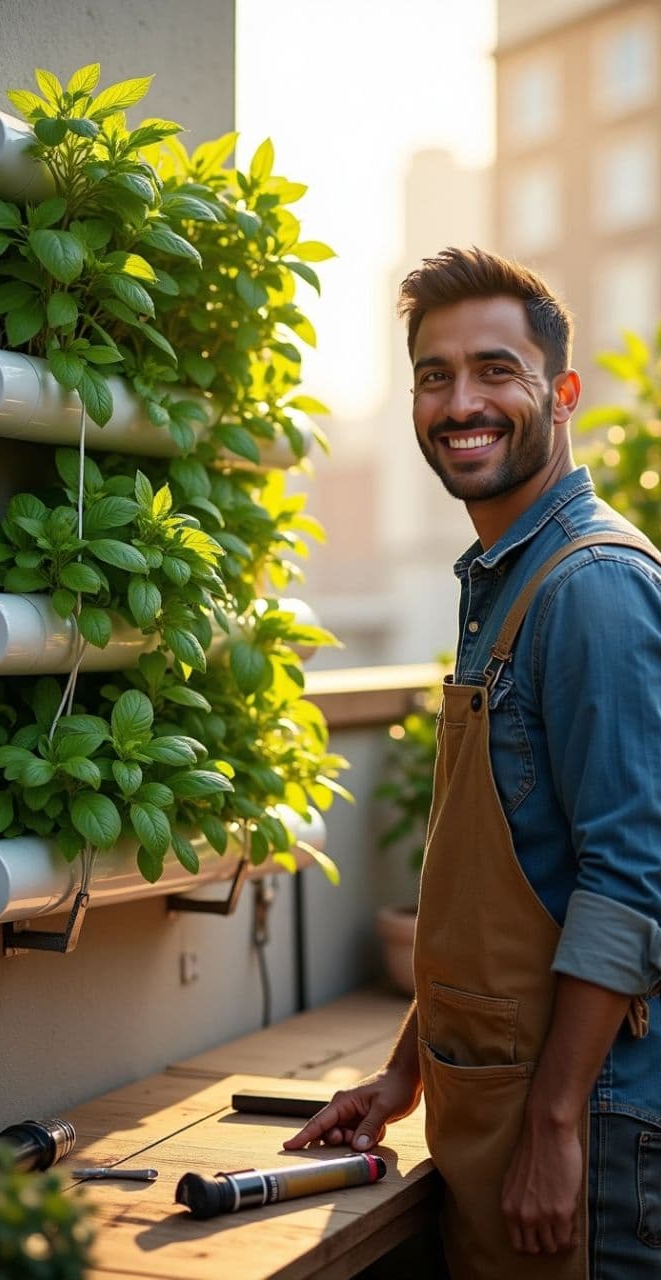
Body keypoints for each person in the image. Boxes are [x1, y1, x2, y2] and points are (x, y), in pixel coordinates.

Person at [285, 247, 661, 1279]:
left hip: (595, 1123)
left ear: (562, 392)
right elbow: (494, 884)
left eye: (496, 369)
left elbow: (629, 882)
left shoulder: (590, 585)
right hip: (494, 1102)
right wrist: (405, 1068)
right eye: (435, 375)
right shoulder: (503, 577)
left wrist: (552, 1126)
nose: (462, 401)